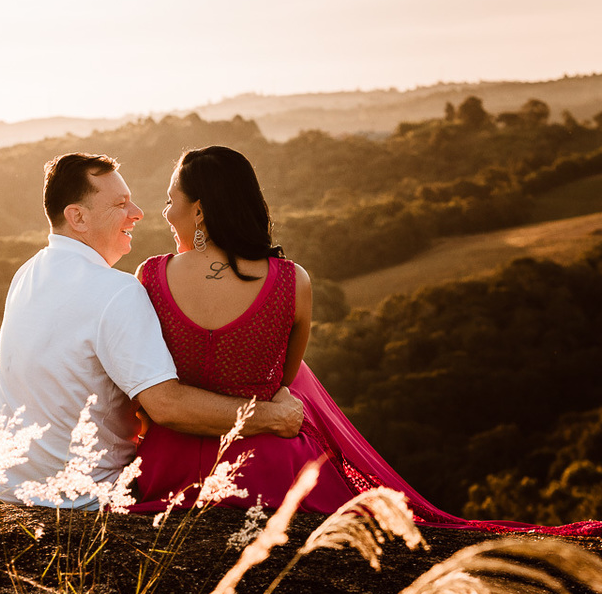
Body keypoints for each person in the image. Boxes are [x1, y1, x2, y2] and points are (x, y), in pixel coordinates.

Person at [128, 145, 601, 537]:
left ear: (200, 209)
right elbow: (284, 378)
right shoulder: (293, 281)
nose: (165, 213)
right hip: (266, 465)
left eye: (171, 201)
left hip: (167, 469)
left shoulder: (149, 277)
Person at [0, 153, 304, 509]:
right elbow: (167, 406)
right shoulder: (117, 291)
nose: (137, 213)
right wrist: (275, 417)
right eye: (121, 204)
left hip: (2, 477)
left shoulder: (27, 272)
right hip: (81, 494)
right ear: (77, 217)